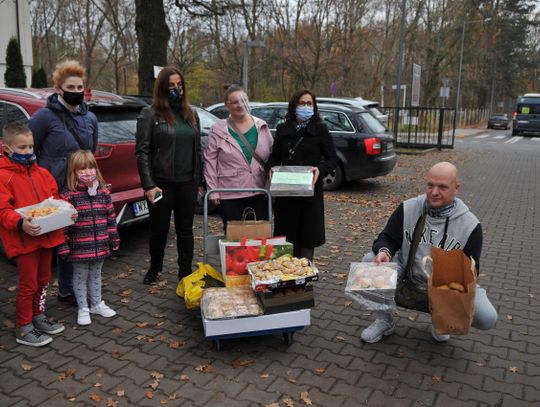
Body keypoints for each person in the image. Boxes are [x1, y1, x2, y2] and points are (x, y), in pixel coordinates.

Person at [360, 161, 498, 343]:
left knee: (487, 317)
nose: (434, 192)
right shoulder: (408, 208)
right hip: (407, 275)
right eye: (430, 185)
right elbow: (388, 238)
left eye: (442, 187)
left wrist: (447, 293)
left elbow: (472, 271)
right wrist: (384, 251)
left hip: (446, 286)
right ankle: (384, 320)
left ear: (456, 188)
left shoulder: (470, 226)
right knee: (370, 261)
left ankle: (441, 319)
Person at [28, 59, 98, 306]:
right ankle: (38, 297)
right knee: (51, 244)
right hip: (53, 191)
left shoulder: (90, 118)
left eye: (80, 87)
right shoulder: (43, 118)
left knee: (76, 242)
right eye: (71, 87)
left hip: (80, 190)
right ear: (58, 88)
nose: (77, 92)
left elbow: (91, 153)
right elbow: (30, 151)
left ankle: (68, 290)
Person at [0, 123, 68, 347]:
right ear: (6, 148)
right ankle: (24, 326)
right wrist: (20, 223)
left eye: (30, 146)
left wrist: (67, 212)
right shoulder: (3, 176)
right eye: (22, 147)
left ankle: (38, 316)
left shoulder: (42, 173)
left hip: (46, 236)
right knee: (28, 284)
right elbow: (3, 211)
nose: (28, 151)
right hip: (25, 239)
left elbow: (54, 199)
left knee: (43, 280)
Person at [136, 66, 202, 285]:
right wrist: (148, 185)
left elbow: (197, 149)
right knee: (159, 229)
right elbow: (142, 150)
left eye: (179, 84)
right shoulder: (150, 114)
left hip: (187, 182)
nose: (176, 89)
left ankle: (185, 273)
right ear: (162, 87)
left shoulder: (191, 114)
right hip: (161, 184)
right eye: (171, 85)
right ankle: (155, 268)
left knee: (185, 230)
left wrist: (199, 180)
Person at [266, 89, 338, 260]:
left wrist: (320, 170)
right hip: (286, 194)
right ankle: (283, 279)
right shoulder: (283, 129)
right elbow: (275, 156)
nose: (306, 106)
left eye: (309, 103)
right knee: (285, 240)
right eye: (302, 103)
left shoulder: (320, 129)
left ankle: (304, 280)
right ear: (294, 106)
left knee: (307, 240)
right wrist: (271, 168)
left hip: (310, 195)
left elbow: (332, 158)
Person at [57, 150, 119, 326]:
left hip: (100, 245)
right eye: (82, 169)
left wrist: (113, 238)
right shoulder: (69, 196)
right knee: (79, 277)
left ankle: (97, 304)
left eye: (90, 167)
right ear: (73, 172)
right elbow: (62, 226)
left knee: (96, 275)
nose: (87, 172)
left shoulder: (103, 194)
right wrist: (63, 246)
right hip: (79, 248)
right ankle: (83, 308)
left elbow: (110, 219)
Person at [204, 85, 273, 229]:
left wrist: (273, 186)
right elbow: (210, 162)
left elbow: (272, 157)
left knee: (258, 237)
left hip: (259, 192)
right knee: (233, 240)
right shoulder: (218, 129)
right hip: (230, 193)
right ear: (227, 105)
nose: (240, 105)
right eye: (235, 102)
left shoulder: (262, 126)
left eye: (243, 100)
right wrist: (213, 191)